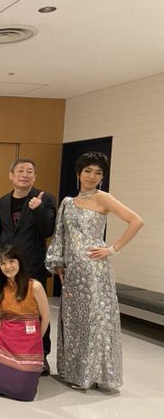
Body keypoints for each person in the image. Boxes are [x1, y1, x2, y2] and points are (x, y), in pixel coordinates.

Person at [46, 152, 144, 390]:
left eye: (98, 173)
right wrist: (59, 263)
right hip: (72, 272)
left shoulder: (104, 198)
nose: (92, 176)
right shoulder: (68, 203)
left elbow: (136, 221)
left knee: (94, 321)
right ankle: (75, 372)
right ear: (78, 173)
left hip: (94, 272)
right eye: (88, 171)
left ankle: (93, 375)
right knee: (74, 320)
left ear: (102, 177)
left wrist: (111, 249)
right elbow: (61, 235)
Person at [0, 158, 56, 375]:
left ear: (35, 176)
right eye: (20, 170)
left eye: (30, 171)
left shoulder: (45, 199)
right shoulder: (1, 203)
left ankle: (41, 353)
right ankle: (11, 349)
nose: (25, 175)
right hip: (9, 269)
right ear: (11, 175)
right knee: (10, 309)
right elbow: (4, 235)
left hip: (33, 265)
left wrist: (38, 210)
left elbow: (48, 230)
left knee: (36, 311)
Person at [0, 245, 50, 401]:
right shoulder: (0, 288)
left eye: (11, 261)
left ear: (19, 262)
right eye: (2, 263)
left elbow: (46, 317)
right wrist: (4, 336)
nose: (8, 266)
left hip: (29, 343)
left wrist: (36, 339)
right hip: (6, 342)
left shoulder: (35, 286)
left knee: (23, 391)